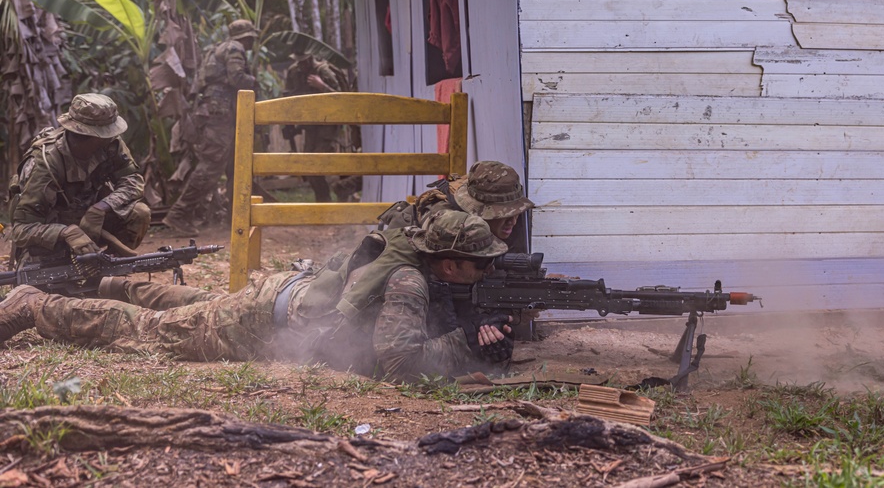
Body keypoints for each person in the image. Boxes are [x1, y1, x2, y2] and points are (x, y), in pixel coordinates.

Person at [0, 210, 514, 382]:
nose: (487, 268)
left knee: (193, 302)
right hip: (260, 323)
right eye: (480, 263)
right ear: (449, 263)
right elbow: (400, 364)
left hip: (281, 294)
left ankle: (114, 281)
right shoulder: (408, 281)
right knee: (146, 332)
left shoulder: (408, 256)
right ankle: (32, 304)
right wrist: (464, 344)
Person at [7, 93, 150, 266]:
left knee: (139, 213)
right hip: (50, 238)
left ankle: (106, 268)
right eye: (106, 133)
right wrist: (66, 233)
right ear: (93, 136)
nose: (112, 137)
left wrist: (101, 208)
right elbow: (21, 230)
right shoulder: (46, 163)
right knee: (48, 289)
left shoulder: (110, 145)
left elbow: (133, 181)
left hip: (91, 225)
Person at [163, 19, 258, 236]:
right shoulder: (235, 48)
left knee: (237, 165)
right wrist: (254, 81)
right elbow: (237, 78)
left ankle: (234, 216)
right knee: (211, 165)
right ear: (247, 37)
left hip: (216, 113)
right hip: (221, 115)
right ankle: (179, 213)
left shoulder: (216, 49)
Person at [381, 160, 535, 252]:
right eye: (503, 214)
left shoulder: (512, 222)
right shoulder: (447, 222)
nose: (513, 221)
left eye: (515, 212)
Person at [281, 51, 360, 202]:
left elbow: (340, 99)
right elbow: (289, 96)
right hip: (310, 124)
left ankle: (343, 190)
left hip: (328, 124)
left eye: (304, 61)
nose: (301, 64)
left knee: (319, 162)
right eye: (299, 61)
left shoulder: (323, 71)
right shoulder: (294, 72)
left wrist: (322, 86)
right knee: (308, 166)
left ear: (310, 59)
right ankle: (323, 200)